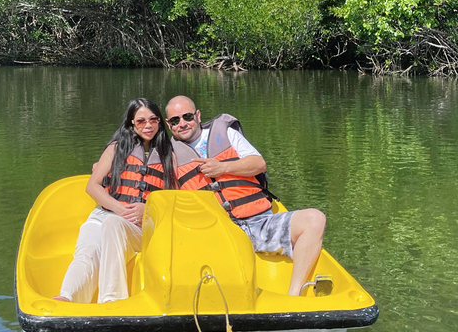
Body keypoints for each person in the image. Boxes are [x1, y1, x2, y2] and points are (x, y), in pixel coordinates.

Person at [164, 95, 326, 296]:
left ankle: (294, 295)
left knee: (315, 219)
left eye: (187, 116)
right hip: (216, 233)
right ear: (168, 124)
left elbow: (259, 164)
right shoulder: (168, 155)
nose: (182, 124)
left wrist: (222, 167)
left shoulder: (227, 133)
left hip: (258, 221)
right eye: (175, 120)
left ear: (197, 115)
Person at [54, 98, 177, 303]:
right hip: (106, 213)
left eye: (153, 120)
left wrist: (147, 209)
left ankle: (111, 299)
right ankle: (68, 297)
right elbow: (92, 186)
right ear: (131, 123)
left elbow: (172, 198)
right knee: (88, 250)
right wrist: (119, 209)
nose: (148, 125)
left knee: (113, 225)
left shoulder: (168, 155)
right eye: (141, 121)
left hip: (142, 224)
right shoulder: (116, 148)